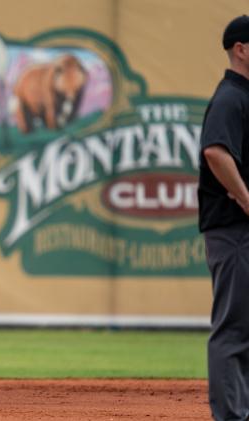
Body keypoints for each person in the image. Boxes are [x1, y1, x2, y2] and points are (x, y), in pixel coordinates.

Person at [198, 15, 249, 421]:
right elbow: (215, 151)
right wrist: (247, 199)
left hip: (239, 229)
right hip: (233, 229)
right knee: (234, 329)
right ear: (242, 49)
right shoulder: (232, 96)